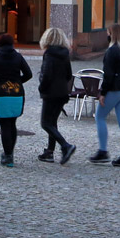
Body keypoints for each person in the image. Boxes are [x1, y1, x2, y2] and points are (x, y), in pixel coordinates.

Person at [0, 33, 33, 166]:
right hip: (17, 94)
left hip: (2, 94)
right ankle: (10, 154)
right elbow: (28, 74)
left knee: (4, 125)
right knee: (12, 124)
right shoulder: (18, 56)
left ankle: (8, 156)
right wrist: (18, 82)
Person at [89, 35, 120, 168]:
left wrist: (103, 92)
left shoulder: (111, 51)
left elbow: (107, 74)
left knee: (100, 117)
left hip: (115, 88)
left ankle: (103, 151)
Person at [35, 27, 77, 163]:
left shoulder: (49, 54)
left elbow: (46, 74)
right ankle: (49, 151)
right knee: (52, 122)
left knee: (45, 123)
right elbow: (69, 74)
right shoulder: (64, 54)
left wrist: (41, 86)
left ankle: (65, 145)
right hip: (62, 92)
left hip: (50, 93)